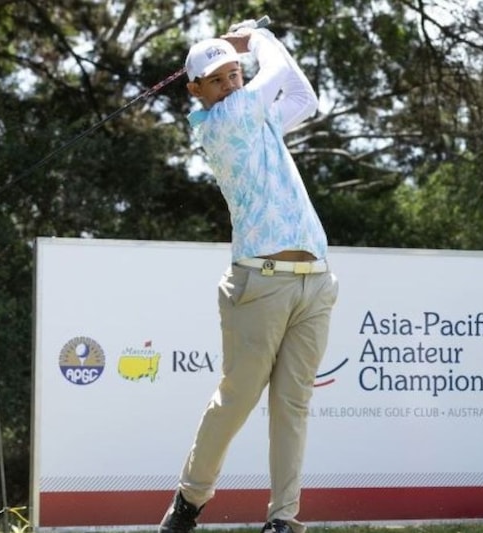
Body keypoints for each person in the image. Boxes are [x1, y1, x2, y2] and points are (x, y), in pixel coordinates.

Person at [159, 19, 339, 533]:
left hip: (315, 281)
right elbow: (275, 73)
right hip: (261, 281)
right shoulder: (223, 120)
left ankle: (283, 519)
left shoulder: (255, 117)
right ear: (195, 90)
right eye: (217, 80)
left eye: (234, 74)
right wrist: (256, 41)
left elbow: (304, 98)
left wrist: (260, 44)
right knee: (237, 398)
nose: (230, 85)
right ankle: (190, 499)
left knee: (293, 404)